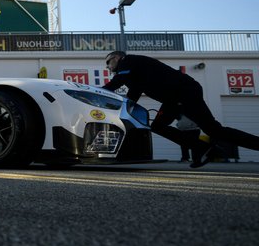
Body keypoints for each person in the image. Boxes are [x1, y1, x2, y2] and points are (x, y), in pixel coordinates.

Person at [103, 51, 259, 168]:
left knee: (214, 130)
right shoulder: (133, 72)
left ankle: (209, 148)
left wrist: (98, 91)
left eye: (109, 63)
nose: (109, 68)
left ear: (117, 57)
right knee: (159, 126)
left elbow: (116, 83)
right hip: (175, 97)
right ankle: (204, 148)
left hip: (184, 92)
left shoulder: (128, 60)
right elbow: (133, 95)